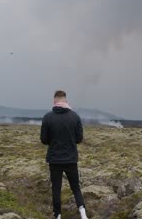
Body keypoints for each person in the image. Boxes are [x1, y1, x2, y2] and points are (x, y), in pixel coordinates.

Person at [40, 90, 88, 219]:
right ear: (65, 101)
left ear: (54, 101)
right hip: (71, 159)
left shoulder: (47, 117)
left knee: (56, 189)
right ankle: (83, 214)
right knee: (76, 188)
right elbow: (79, 139)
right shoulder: (75, 116)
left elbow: (44, 140)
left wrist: (54, 140)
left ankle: (58, 216)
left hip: (55, 160)